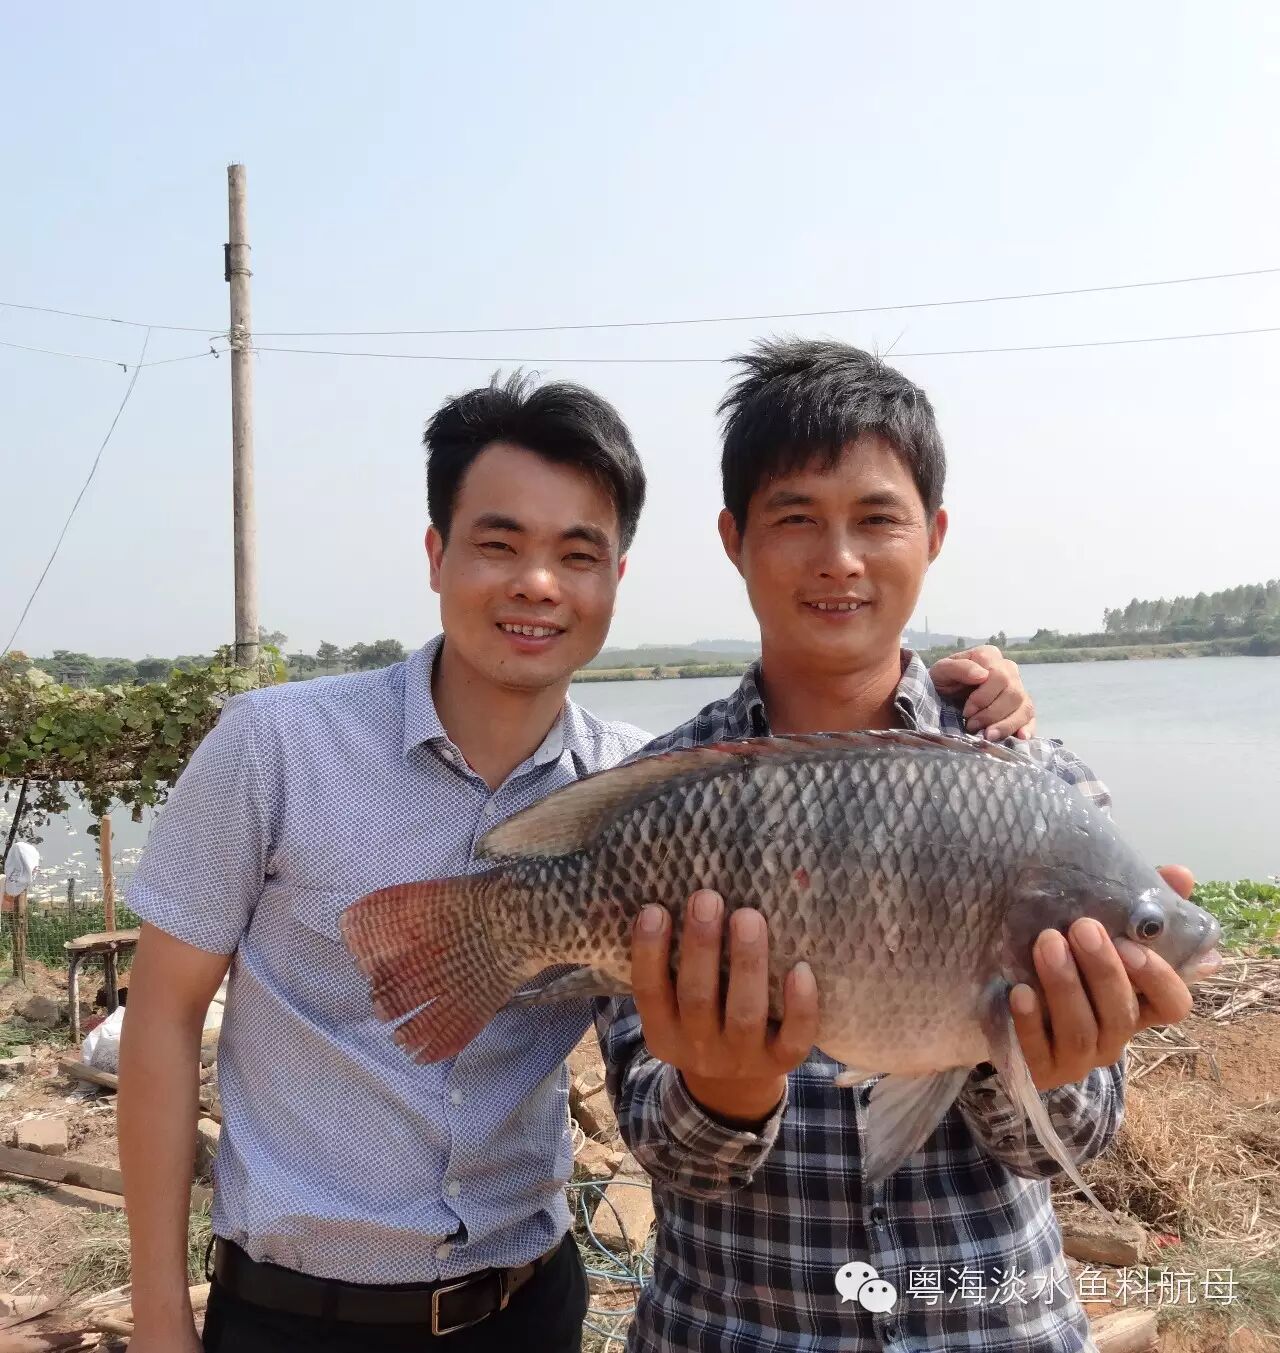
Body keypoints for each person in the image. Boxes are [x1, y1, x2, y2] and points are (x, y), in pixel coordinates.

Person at [118, 370, 1032, 1353]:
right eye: (499, 544)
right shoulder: (275, 746)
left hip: (525, 1306)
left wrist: (970, 722)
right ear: (436, 554)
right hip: (292, 1312)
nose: (538, 584)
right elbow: (162, 1015)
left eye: (577, 554)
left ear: (615, 580)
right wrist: (160, 1316)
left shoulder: (641, 787)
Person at [598, 339, 1199, 1352]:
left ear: (934, 535)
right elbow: (673, 1156)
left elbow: (1073, 1142)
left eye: (877, 518)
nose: (839, 558)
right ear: (734, 540)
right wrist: (724, 1090)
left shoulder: (1040, 783)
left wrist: (1031, 1059)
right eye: (796, 518)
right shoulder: (665, 805)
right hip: (733, 1325)